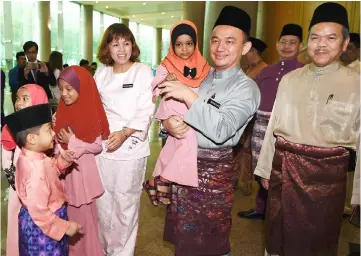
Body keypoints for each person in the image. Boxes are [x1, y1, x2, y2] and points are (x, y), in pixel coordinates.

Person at [254, 3, 360, 255]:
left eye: (331, 38)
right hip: (284, 172)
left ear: (344, 43)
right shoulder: (290, 80)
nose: (321, 44)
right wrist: (266, 168)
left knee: (318, 242)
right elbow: (273, 128)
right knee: (276, 237)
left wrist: (358, 194)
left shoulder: (356, 83)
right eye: (315, 37)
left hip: (327, 181)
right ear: (307, 42)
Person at [159, 6, 260, 255]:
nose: (219, 47)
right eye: (215, 40)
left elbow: (221, 130)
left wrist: (187, 94)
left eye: (229, 41)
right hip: (184, 170)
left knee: (210, 243)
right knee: (184, 241)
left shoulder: (246, 88)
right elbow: (171, 110)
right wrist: (167, 125)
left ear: (245, 48)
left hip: (212, 177)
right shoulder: (201, 75)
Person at [94, 23, 154, 255]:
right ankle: (104, 249)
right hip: (104, 148)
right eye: (115, 43)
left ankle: (121, 252)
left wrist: (126, 132)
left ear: (133, 46)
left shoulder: (142, 71)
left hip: (130, 147)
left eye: (126, 43)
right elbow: (92, 106)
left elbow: (145, 109)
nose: (121, 49)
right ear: (107, 47)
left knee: (125, 205)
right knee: (103, 202)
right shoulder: (102, 72)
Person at [238, 24, 304, 220]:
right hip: (260, 125)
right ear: (277, 45)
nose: (287, 46)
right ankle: (262, 207)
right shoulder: (267, 71)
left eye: (292, 42)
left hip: (286, 128)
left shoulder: (303, 72)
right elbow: (254, 100)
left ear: (301, 46)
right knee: (261, 169)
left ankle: (280, 211)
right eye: (283, 42)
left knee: (282, 171)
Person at [143, 20, 211, 206]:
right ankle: (164, 179)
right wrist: (167, 79)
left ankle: (153, 180)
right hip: (174, 109)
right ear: (172, 46)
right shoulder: (167, 63)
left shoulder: (204, 65)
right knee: (188, 141)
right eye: (179, 44)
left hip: (191, 110)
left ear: (195, 44)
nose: (184, 49)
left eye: (189, 43)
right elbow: (155, 85)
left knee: (172, 148)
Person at [5, 103, 82, 255]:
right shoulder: (35, 172)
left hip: (40, 221)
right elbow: (40, 212)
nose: (53, 133)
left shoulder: (30, 157)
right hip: (43, 228)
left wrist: (62, 162)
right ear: (32, 138)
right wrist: (66, 227)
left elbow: (50, 171)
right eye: (48, 129)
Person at [54, 66, 110, 255]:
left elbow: (97, 146)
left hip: (82, 175)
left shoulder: (90, 111)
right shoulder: (61, 111)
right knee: (69, 217)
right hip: (65, 174)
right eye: (61, 89)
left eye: (69, 89)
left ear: (82, 88)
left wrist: (73, 142)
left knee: (85, 220)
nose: (64, 94)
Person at [1, 84, 49, 256]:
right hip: (21, 184)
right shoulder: (12, 126)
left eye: (25, 99)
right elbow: (6, 157)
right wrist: (16, 183)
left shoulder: (47, 126)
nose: (19, 103)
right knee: (18, 218)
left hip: (44, 183)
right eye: (17, 99)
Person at [235, 37, 268, 196]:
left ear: (254, 52)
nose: (245, 54)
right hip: (240, 115)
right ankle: (235, 178)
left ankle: (247, 182)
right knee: (237, 148)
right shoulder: (247, 68)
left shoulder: (265, 70)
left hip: (254, 116)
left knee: (248, 149)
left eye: (248, 51)